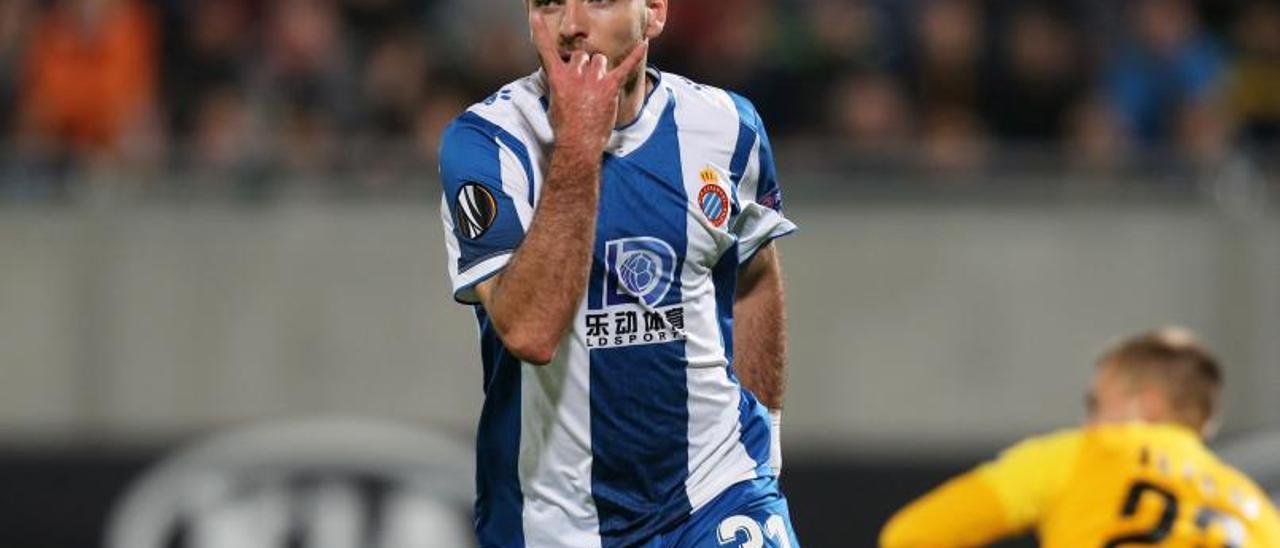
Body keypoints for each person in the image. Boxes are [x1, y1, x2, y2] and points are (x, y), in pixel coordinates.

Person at [435, 1, 799, 547]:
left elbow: (754, 276)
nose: (571, 24)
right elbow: (530, 332)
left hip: (716, 493)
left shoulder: (727, 126)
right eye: (550, 2)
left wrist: (763, 446)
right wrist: (581, 143)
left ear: (653, 13)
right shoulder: (488, 144)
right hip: (554, 523)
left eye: (599, 0)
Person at [880, 327, 1280, 547]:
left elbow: (911, 536)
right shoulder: (1260, 514)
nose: (1089, 423)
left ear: (1148, 405)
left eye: (1096, 405)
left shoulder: (1082, 453)